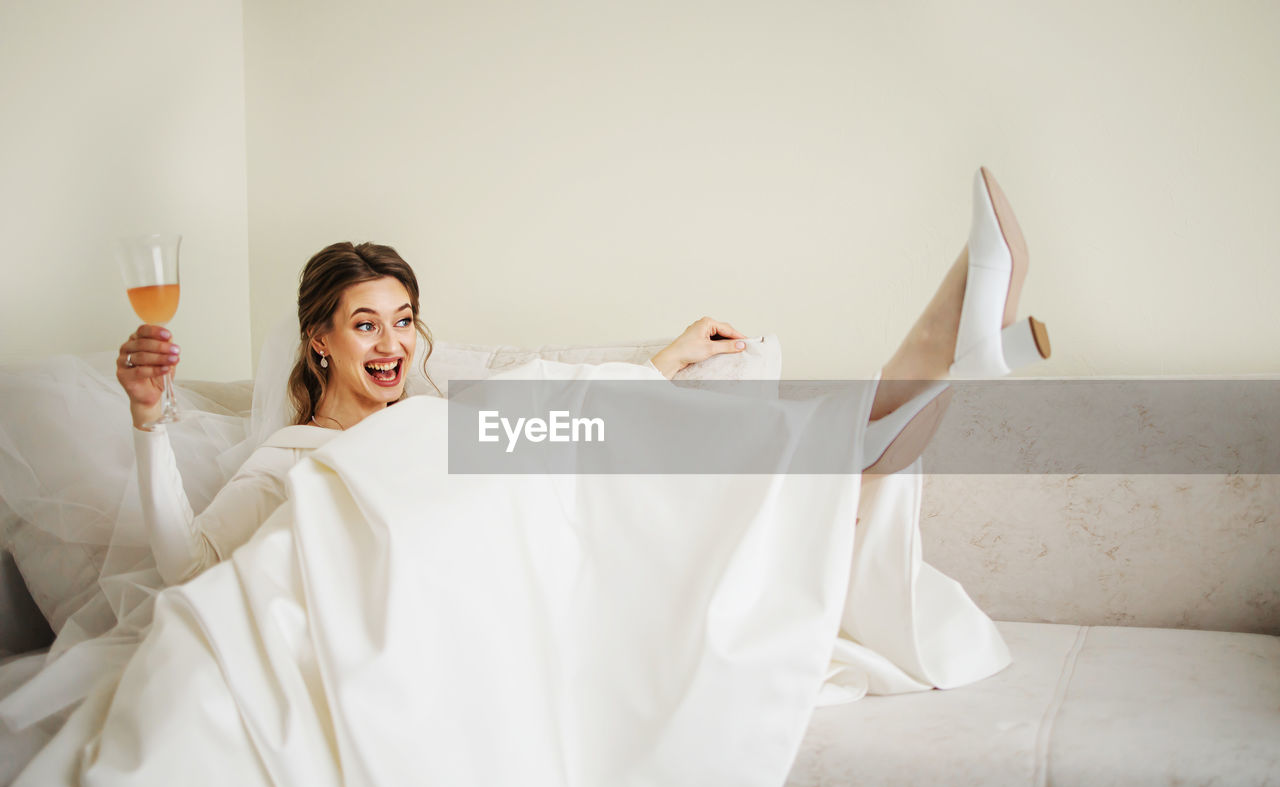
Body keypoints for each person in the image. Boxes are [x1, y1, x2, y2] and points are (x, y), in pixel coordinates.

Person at [115, 166, 1049, 588]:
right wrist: (150, 421)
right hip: (489, 577)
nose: (391, 343)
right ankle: (917, 380)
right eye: (365, 325)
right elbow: (182, 568)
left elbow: (563, 397)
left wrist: (665, 362)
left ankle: (899, 393)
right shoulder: (288, 455)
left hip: (539, 518)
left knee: (601, 436)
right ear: (318, 340)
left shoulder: (432, 414)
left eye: (403, 320)